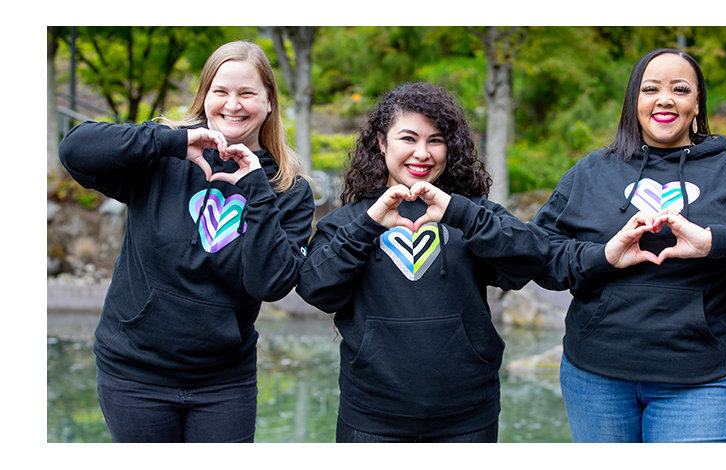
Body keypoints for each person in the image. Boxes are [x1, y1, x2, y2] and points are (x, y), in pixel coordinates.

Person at [58, 40, 315, 442]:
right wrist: (170, 142)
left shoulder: (289, 189)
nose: (233, 104)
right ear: (205, 96)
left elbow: (271, 283)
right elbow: (75, 149)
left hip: (224, 382)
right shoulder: (164, 158)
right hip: (135, 374)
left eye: (247, 93)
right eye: (221, 91)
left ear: (269, 104)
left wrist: (255, 186)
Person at [531, 48, 726, 443]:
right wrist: (603, 256)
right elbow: (540, 255)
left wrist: (714, 241)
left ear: (698, 101)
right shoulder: (590, 171)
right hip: (595, 379)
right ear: (634, 99)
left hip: (701, 382)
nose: (664, 98)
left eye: (680, 88)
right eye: (650, 88)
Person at [296, 82, 549, 442]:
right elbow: (315, 288)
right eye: (408, 139)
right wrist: (368, 224)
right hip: (371, 419)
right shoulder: (347, 222)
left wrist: (460, 212)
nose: (422, 153)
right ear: (382, 143)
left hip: (466, 418)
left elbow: (532, 256)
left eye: (436, 140)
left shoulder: (470, 214)